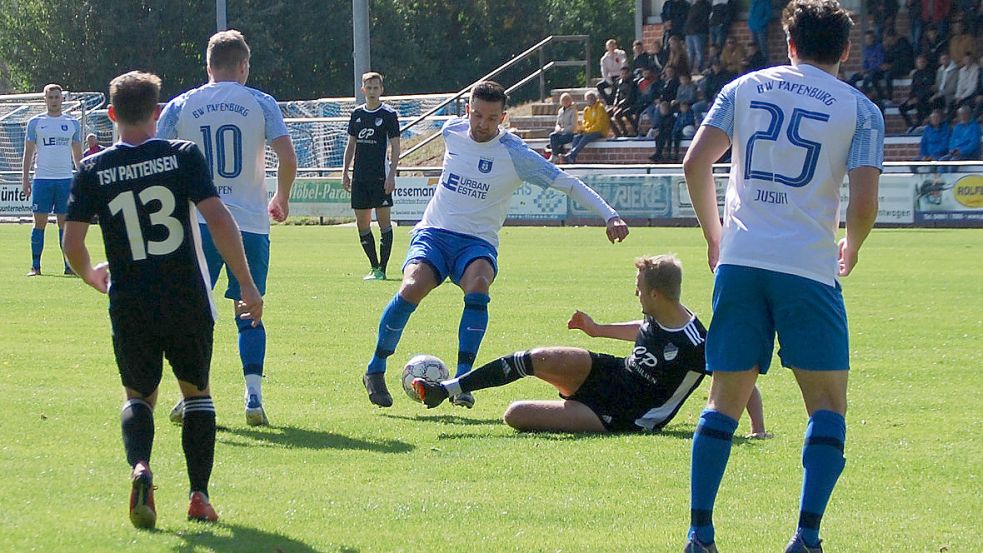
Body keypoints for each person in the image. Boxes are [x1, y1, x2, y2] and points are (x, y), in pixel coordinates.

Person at [681, 1, 884, 552]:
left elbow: (696, 164)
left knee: (723, 401)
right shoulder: (861, 109)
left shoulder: (744, 88)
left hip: (742, 260)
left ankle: (700, 533)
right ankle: (806, 538)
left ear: (789, 45)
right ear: (845, 49)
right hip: (808, 268)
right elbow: (864, 201)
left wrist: (714, 235)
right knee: (827, 406)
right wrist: (854, 244)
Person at [61, 70, 263, 529]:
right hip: (186, 297)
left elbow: (71, 242)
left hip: (130, 300)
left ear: (112, 114)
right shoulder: (182, 155)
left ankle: (140, 468)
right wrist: (245, 283)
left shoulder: (93, 168)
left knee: (139, 396)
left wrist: (93, 275)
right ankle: (199, 496)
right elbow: (218, 218)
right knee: (197, 396)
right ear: (157, 113)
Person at [361, 81, 629, 409]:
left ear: (502, 118)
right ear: (467, 111)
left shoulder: (515, 154)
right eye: (477, 115)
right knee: (412, 286)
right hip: (435, 232)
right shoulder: (451, 130)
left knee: (478, 285)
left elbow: (568, 184)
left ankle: (461, 382)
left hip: (477, 242)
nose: (482, 124)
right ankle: (375, 369)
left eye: (491, 118)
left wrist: (610, 215)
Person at [412, 255, 768, 436]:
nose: (636, 292)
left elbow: (738, 379)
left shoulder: (697, 342)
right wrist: (597, 330)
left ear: (656, 294)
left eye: (640, 288)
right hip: (612, 373)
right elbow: (642, 332)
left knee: (515, 414)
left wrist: (756, 427)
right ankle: (448, 388)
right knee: (534, 358)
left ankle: (568, 409)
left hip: (627, 414)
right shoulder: (659, 312)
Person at [157, 29, 298, 427]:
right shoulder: (260, 102)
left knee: (193, 314)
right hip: (250, 224)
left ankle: (193, 395)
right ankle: (253, 396)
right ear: (243, 66)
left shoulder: (182, 104)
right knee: (249, 310)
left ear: (208, 66)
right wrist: (281, 197)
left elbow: (154, 154)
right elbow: (287, 158)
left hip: (199, 222)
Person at [342, 72, 401, 281]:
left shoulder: (388, 115)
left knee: (385, 224)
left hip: (380, 177)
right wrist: (345, 172)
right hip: (359, 178)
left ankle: (383, 269)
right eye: (369, 87)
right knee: (362, 225)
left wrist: (391, 174)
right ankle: (374, 267)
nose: (373, 91)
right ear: (363, 90)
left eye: (376, 87)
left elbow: (395, 146)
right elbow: (351, 145)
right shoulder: (357, 114)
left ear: (381, 90)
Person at [21, 83, 83, 276]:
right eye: (51, 97)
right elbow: (28, 153)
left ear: (62, 99)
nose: (54, 101)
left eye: (57, 97)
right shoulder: (36, 123)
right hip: (42, 179)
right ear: (45, 99)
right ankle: (35, 266)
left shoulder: (72, 123)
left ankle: (68, 266)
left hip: (65, 179)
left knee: (64, 224)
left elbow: (78, 155)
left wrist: (83, 180)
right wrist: (25, 179)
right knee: (39, 222)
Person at [564, 90, 610, 164]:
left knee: (586, 137)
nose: (590, 100)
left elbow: (599, 125)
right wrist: (583, 129)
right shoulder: (586, 109)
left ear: (595, 98)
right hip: (589, 131)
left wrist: (588, 130)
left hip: (600, 131)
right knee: (576, 137)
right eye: (588, 99)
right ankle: (572, 157)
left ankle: (571, 154)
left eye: (591, 98)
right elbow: (585, 122)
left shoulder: (600, 108)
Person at [899, 55, 936, 132]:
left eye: (922, 62)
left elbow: (928, 88)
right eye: (919, 62)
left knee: (920, 106)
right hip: (915, 98)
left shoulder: (930, 73)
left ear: (926, 63)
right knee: (902, 107)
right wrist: (910, 99)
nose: (920, 64)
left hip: (926, 98)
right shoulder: (916, 74)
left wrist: (918, 98)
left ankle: (918, 126)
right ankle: (910, 125)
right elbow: (913, 88)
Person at [597, 39, 628, 106]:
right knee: (599, 86)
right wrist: (609, 81)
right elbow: (604, 72)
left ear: (615, 46)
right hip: (611, 77)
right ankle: (608, 102)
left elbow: (624, 64)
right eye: (609, 46)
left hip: (621, 75)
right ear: (607, 47)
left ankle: (613, 103)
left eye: (613, 46)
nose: (611, 48)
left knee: (616, 84)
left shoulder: (621, 54)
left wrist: (622, 75)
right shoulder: (604, 59)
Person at [684, 0, 711, 73]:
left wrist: (697, 28)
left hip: (699, 32)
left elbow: (705, 19)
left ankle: (700, 69)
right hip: (689, 32)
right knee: (690, 53)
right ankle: (689, 70)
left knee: (699, 52)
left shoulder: (706, 6)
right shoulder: (693, 6)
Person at [549, 92, 578, 160]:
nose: (565, 102)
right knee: (552, 136)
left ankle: (558, 154)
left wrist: (563, 130)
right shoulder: (560, 111)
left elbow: (573, 126)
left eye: (567, 100)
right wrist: (558, 129)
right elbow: (558, 123)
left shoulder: (573, 111)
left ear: (570, 101)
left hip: (570, 134)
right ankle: (555, 155)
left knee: (557, 141)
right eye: (563, 100)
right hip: (561, 133)